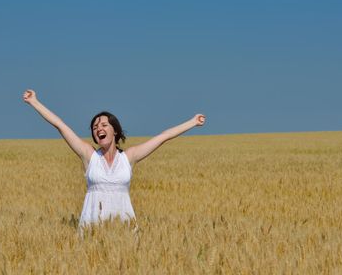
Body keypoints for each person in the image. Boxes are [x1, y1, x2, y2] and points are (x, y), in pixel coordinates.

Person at [22, 89, 205, 227]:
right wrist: (34, 102)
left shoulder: (129, 157)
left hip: (123, 228)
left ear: (115, 130)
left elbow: (163, 136)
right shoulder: (89, 155)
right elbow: (60, 125)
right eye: (95, 127)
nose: (98, 128)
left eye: (103, 124)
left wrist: (192, 122)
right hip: (91, 227)